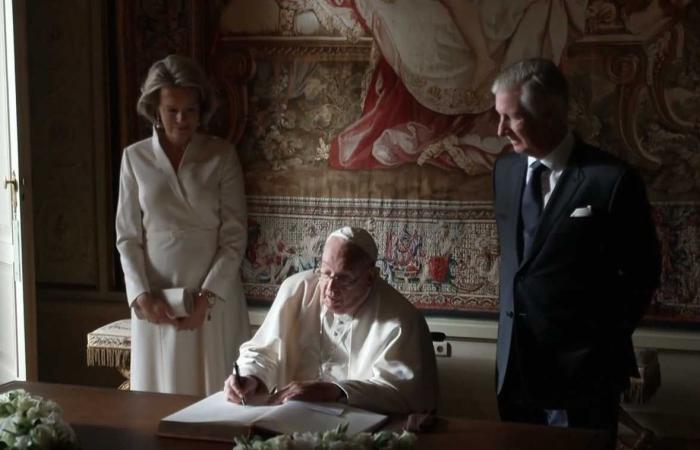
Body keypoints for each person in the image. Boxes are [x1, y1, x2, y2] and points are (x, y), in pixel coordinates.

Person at [491, 58, 661, 449]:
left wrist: (597, 344)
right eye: (498, 116)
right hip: (513, 367)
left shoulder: (612, 180)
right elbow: (520, 266)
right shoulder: (505, 172)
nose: (500, 130)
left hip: (584, 376)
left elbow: (643, 273)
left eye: (510, 118)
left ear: (550, 113)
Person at [116, 54, 251, 396]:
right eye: (172, 110)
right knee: (160, 399)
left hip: (214, 298)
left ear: (201, 109)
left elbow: (234, 236)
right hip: (157, 299)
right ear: (155, 110)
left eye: (190, 110)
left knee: (218, 397)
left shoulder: (221, 155)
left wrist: (206, 299)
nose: (181, 119)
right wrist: (142, 297)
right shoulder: (135, 158)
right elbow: (127, 238)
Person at [224, 226, 438, 414]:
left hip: (359, 431)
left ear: (370, 277)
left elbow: (404, 394)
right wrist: (250, 377)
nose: (330, 289)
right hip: (287, 419)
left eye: (344, 278)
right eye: (325, 272)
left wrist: (334, 391)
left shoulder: (401, 319)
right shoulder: (296, 289)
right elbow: (264, 351)